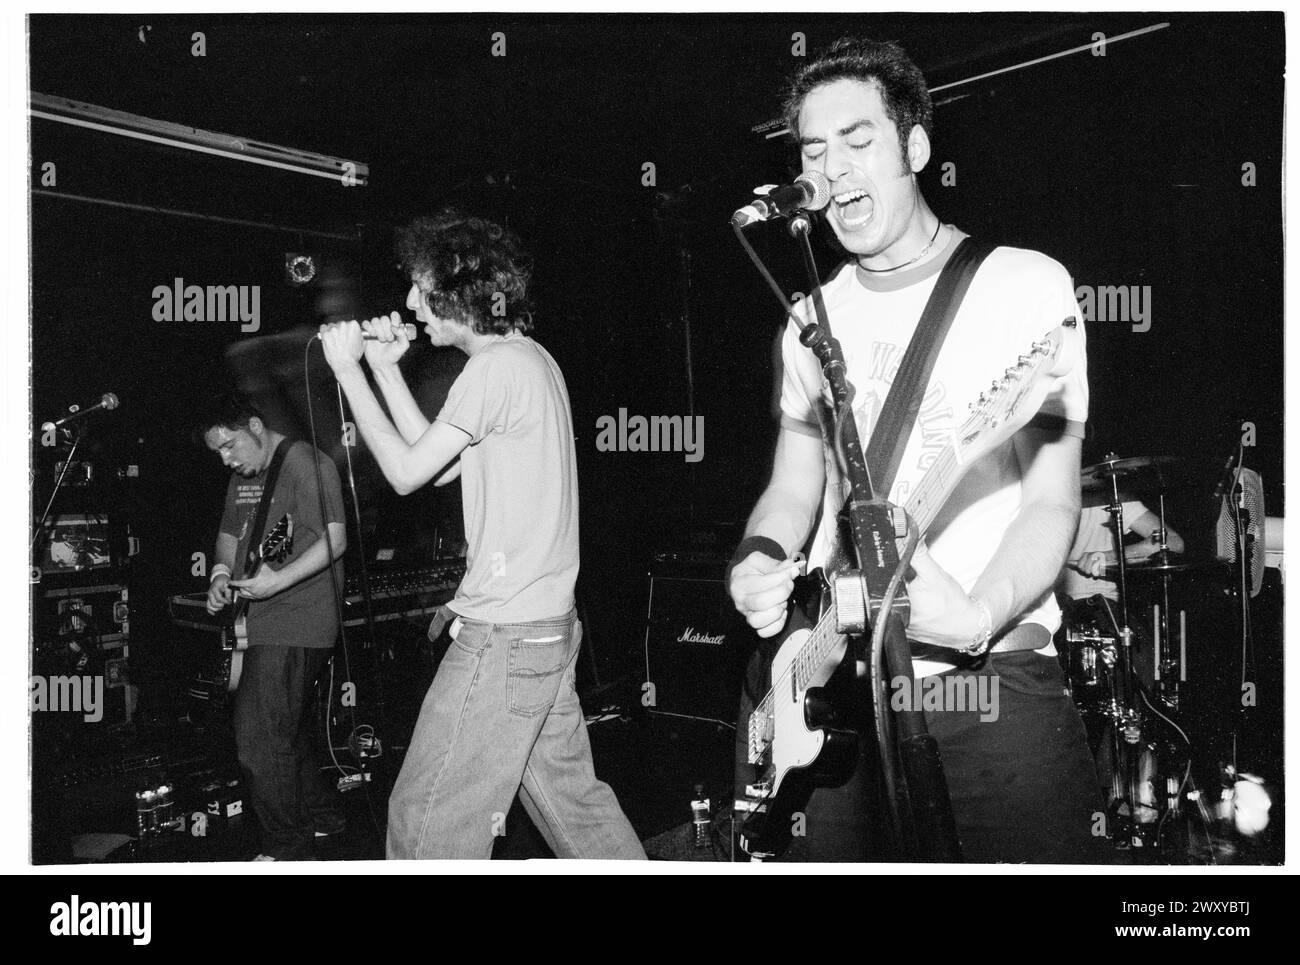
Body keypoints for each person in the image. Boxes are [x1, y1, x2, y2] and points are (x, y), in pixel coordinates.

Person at [727, 38, 1103, 863]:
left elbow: (1051, 501)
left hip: (993, 686)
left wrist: (975, 614)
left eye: (860, 140)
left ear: (917, 148)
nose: (833, 168)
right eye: (815, 151)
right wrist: (758, 558)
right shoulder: (807, 318)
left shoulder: (1023, 286)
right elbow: (793, 491)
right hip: (838, 689)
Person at [317, 211, 644, 860]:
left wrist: (347, 372)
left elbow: (408, 475)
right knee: (578, 813)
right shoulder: (528, 361)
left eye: (419, 285)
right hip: (546, 631)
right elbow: (438, 465)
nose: (411, 302)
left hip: (504, 638)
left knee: (424, 822)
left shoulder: (494, 368)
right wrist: (385, 370)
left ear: (457, 290)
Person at [201, 394, 348, 861]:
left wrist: (276, 581)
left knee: (259, 738)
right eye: (218, 453)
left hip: (300, 618)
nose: (227, 459)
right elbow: (229, 535)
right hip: (261, 619)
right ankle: (322, 817)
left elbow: (336, 538)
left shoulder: (306, 463)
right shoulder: (244, 477)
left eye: (230, 446)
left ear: (256, 426)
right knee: (281, 729)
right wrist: (221, 575)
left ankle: (286, 848)